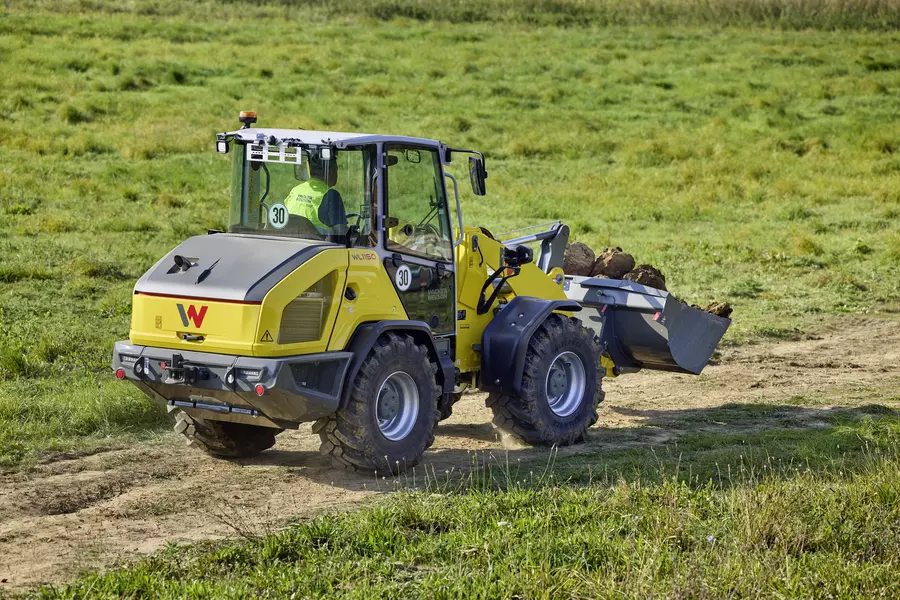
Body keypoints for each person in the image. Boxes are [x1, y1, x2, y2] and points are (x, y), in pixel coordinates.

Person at [283, 150, 338, 231]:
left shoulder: (295, 191)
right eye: (336, 169)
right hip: (321, 241)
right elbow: (341, 231)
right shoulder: (331, 195)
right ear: (330, 171)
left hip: (290, 239)